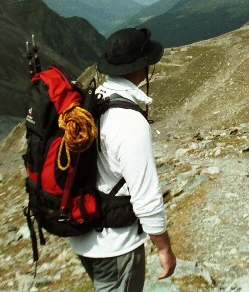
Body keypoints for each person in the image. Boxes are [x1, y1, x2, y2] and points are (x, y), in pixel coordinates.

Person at [70, 27, 176, 291]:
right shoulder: (130, 121)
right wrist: (164, 248)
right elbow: (146, 197)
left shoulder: (93, 101)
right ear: (141, 67)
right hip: (115, 244)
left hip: (85, 236)